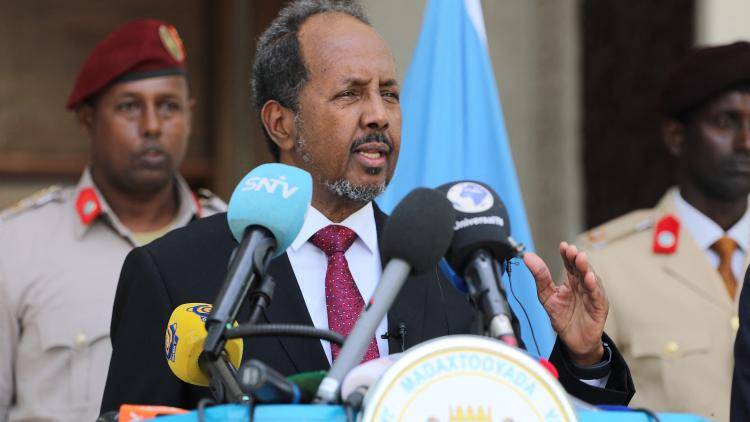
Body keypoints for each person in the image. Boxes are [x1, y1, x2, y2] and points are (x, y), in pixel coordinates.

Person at [100, 0, 634, 412]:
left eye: (390, 93)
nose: (379, 115)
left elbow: (510, 410)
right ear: (281, 122)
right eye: (351, 94)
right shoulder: (176, 273)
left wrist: (584, 357)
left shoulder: (455, 270)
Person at [0, 19, 225, 422]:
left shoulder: (235, 239)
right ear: (88, 118)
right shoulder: (16, 246)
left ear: (189, 115)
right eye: (129, 106)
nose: (153, 126)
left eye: (169, 106)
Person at [575, 41, 750, 421]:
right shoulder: (605, 263)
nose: (746, 143)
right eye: (725, 122)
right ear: (677, 136)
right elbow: (575, 407)